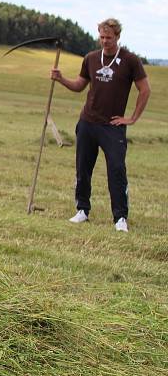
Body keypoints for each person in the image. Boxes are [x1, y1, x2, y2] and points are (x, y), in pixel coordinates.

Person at [50, 18, 150, 232]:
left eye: (109, 38)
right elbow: (79, 85)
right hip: (87, 122)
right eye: (102, 37)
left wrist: (132, 118)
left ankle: (120, 218)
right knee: (83, 169)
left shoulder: (131, 60)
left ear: (117, 37)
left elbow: (145, 90)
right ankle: (82, 210)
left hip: (112, 126)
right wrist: (61, 79)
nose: (105, 41)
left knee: (116, 170)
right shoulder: (91, 58)